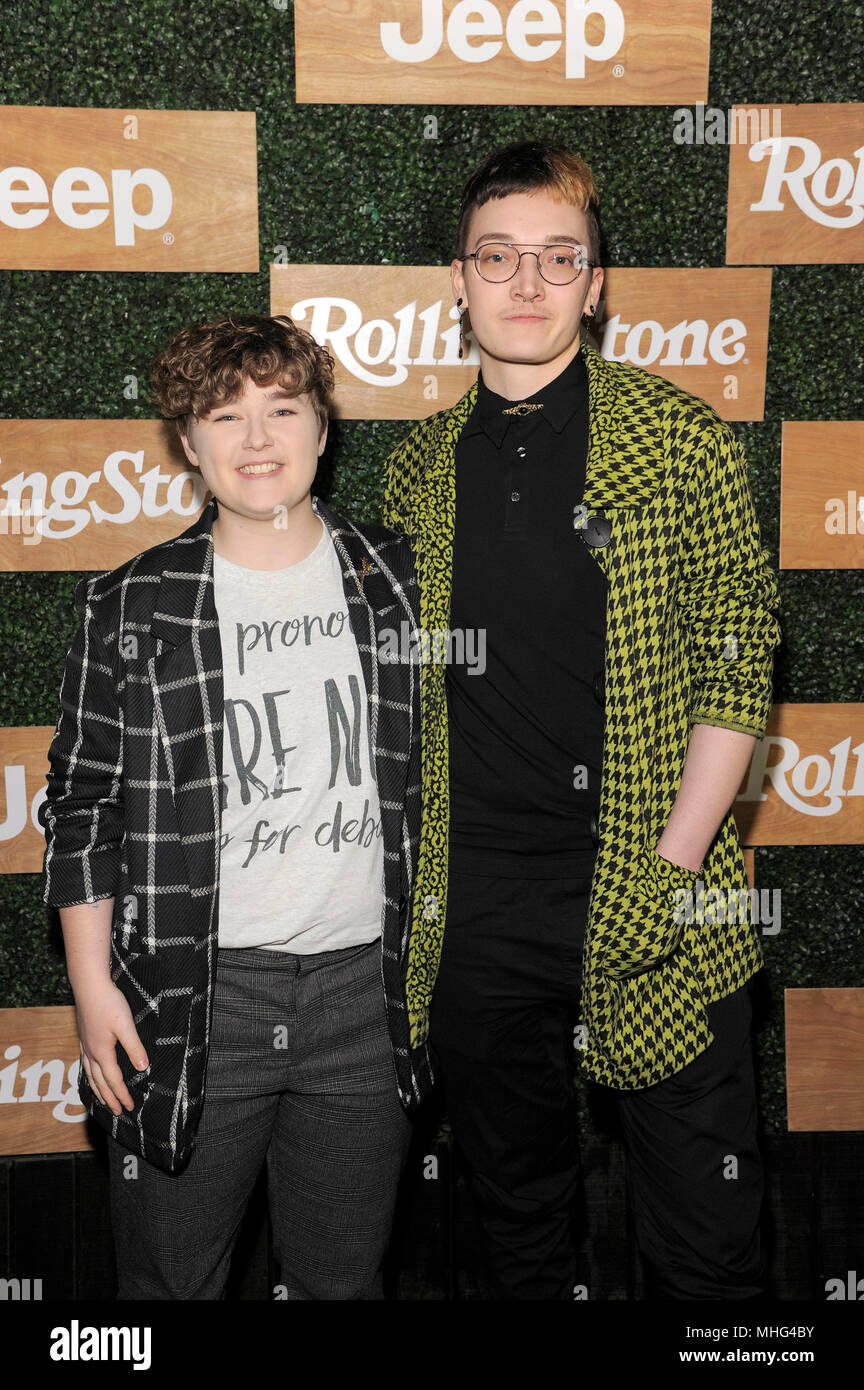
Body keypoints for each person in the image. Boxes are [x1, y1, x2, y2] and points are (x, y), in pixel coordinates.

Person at [382, 140, 782, 1300]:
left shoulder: (680, 438)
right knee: (515, 1229)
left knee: (707, 1244)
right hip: (478, 914)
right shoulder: (416, 470)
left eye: (560, 258)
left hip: (660, 892)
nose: (526, 284)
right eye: (497, 257)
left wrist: (670, 864)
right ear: (457, 281)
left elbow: (736, 656)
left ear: (597, 282)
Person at [39, 313, 432, 1300]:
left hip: (364, 996)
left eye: (282, 409)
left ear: (322, 428)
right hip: (192, 996)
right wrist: (93, 989)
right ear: (187, 441)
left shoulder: (400, 581)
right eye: (225, 415)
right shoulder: (132, 603)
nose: (257, 441)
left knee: (343, 1284)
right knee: (172, 1285)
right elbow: (84, 805)